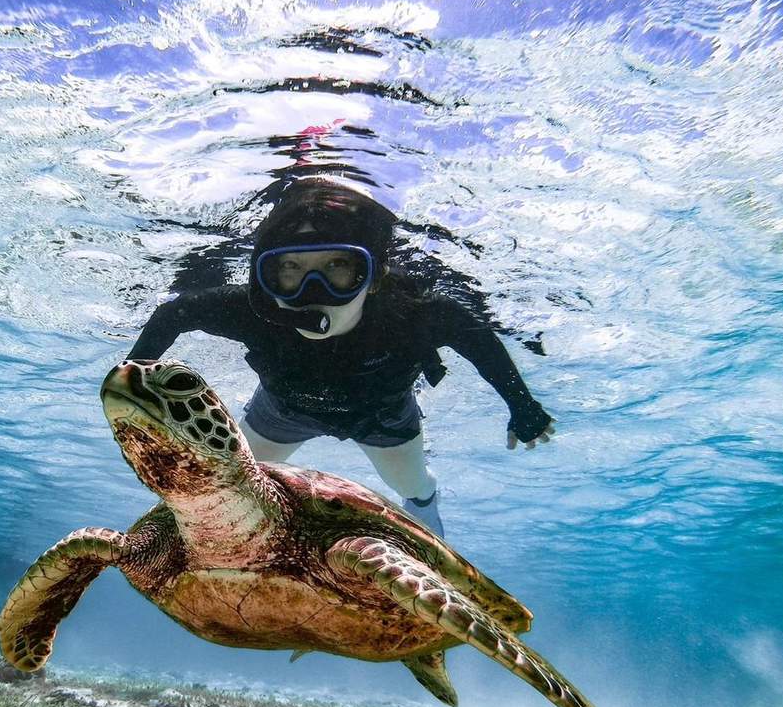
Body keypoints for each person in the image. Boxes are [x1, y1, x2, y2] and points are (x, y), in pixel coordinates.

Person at [127, 175, 554, 536]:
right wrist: (135, 373)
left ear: (373, 277)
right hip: (281, 412)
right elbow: (174, 313)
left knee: (414, 489)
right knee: (232, 487)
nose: (313, 290)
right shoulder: (251, 313)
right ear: (266, 279)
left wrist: (522, 405)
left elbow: (479, 340)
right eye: (290, 270)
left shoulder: (414, 314)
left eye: (337, 267)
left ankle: (427, 517)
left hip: (384, 418)